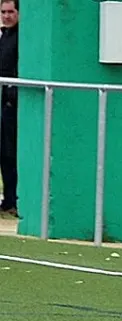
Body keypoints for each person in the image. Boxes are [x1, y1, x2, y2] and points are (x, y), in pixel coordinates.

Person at [0, 0, 18, 218]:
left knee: (10, 152)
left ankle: (13, 199)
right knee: (4, 154)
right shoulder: (4, 36)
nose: (6, 16)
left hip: (11, 102)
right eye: (3, 12)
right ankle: (8, 199)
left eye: (10, 11)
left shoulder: (21, 37)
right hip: (4, 101)